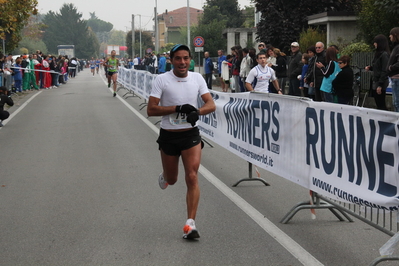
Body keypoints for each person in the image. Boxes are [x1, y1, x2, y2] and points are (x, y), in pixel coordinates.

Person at [147, 44, 216, 239]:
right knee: (173, 179)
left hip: (190, 135)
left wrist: (197, 111)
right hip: (169, 134)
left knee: (192, 176)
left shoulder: (197, 78)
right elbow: (151, 109)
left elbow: (211, 104)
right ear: (171, 60)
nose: (183, 62)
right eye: (178, 58)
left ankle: (190, 224)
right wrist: (177, 108)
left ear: (190, 60)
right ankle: (165, 175)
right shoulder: (162, 80)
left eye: (186, 58)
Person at [365, 34, 390, 110]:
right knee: (377, 101)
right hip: (376, 80)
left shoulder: (384, 55)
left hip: (380, 81)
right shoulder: (378, 54)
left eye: (375, 42)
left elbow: (384, 70)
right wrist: (371, 68)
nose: (374, 44)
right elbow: (378, 67)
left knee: (380, 102)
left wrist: (380, 85)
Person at [387, 27, 399, 112]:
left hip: (397, 78)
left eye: (390, 34)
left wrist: (391, 67)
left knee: (396, 102)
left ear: (395, 35)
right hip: (394, 77)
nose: (389, 37)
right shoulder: (396, 47)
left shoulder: (397, 48)